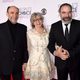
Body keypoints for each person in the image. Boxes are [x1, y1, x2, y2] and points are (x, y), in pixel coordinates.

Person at [48, 3, 80, 80]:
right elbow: (50, 44)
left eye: (69, 12)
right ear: (59, 13)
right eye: (64, 12)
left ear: (72, 13)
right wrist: (57, 53)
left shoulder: (79, 24)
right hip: (60, 63)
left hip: (76, 62)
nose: (67, 15)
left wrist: (69, 53)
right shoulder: (54, 26)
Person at [24, 12, 57, 80]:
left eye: (39, 19)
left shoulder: (48, 32)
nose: (38, 22)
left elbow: (52, 45)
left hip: (45, 59)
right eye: (35, 20)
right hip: (34, 61)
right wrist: (26, 61)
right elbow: (28, 48)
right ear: (32, 22)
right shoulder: (29, 33)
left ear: (42, 20)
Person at [0, 6, 28, 80]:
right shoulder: (0, 27)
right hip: (4, 65)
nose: (14, 15)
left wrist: (25, 61)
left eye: (17, 13)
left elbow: (25, 46)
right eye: (12, 13)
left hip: (18, 65)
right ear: (7, 14)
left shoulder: (23, 28)